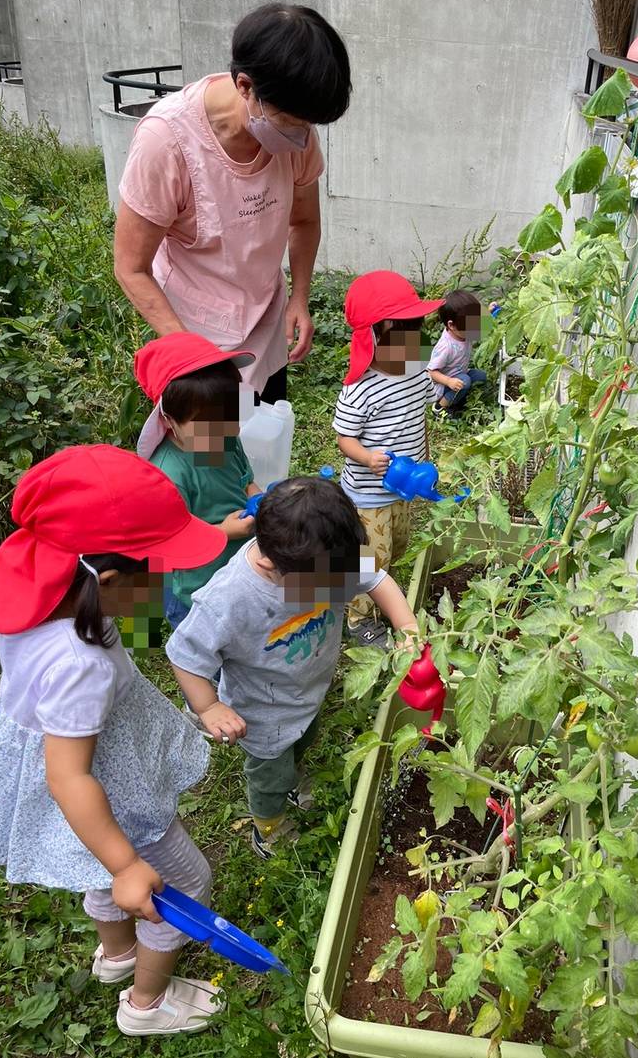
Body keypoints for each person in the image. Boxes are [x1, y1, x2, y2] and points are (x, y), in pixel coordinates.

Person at [0, 445, 230, 1036]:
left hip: (69, 768)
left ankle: (119, 952)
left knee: (93, 865)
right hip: (102, 785)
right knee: (182, 882)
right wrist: (125, 863)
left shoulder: (35, 579)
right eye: (161, 570)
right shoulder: (81, 662)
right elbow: (70, 776)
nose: (167, 579)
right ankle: (148, 1004)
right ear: (115, 580)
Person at [165, 477, 418, 859]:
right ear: (270, 563)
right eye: (324, 583)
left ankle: (294, 777)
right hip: (262, 713)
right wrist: (209, 707)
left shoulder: (329, 557)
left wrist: (408, 627)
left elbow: (377, 580)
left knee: (302, 741)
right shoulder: (230, 598)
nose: (338, 585)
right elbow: (184, 653)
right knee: (269, 776)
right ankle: (268, 826)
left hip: (307, 691)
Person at [114, 3, 351, 404]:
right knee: (211, 458)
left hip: (264, 321)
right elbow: (131, 267)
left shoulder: (298, 135)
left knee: (266, 443)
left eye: (309, 126)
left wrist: (299, 297)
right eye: (292, 124)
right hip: (194, 330)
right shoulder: (167, 142)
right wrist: (190, 356)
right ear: (245, 87)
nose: (302, 137)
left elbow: (305, 221)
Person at [332, 271, 444, 647]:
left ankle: (386, 595)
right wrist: (366, 457)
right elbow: (344, 438)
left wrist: (424, 455)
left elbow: (422, 411)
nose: (412, 341)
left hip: (402, 487)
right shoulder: (360, 387)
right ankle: (358, 619)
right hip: (368, 493)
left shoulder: (415, 369)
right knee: (367, 557)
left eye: (415, 329)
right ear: (373, 338)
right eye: (402, 333)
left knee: (393, 547)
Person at [134, 331, 262, 629]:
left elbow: (245, 480)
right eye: (208, 425)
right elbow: (169, 542)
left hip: (235, 564)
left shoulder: (228, 440)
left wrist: (256, 496)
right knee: (207, 641)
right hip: (196, 586)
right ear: (168, 421)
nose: (225, 431)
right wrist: (223, 533)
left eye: (232, 416)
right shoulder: (169, 474)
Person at [427, 289, 488, 417]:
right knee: (465, 381)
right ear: (452, 325)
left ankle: (459, 398)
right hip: (442, 385)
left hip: (460, 374)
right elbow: (431, 372)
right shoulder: (446, 346)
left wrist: (491, 312)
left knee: (481, 376)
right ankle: (440, 407)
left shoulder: (463, 331)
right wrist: (449, 381)